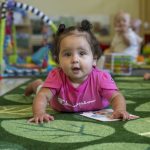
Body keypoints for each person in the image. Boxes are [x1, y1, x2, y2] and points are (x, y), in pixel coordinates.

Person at [26, 20, 137, 124]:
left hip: (96, 105)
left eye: (82, 53)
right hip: (59, 105)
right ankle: (36, 85)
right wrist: (39, 113)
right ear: (58, 61)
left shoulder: (101, 77)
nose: (75, 59)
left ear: (94, 59)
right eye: (67, 54)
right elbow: (43, 96)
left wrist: (119, 109)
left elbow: (115, 97)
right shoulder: (57, 76)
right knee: (41, 89)